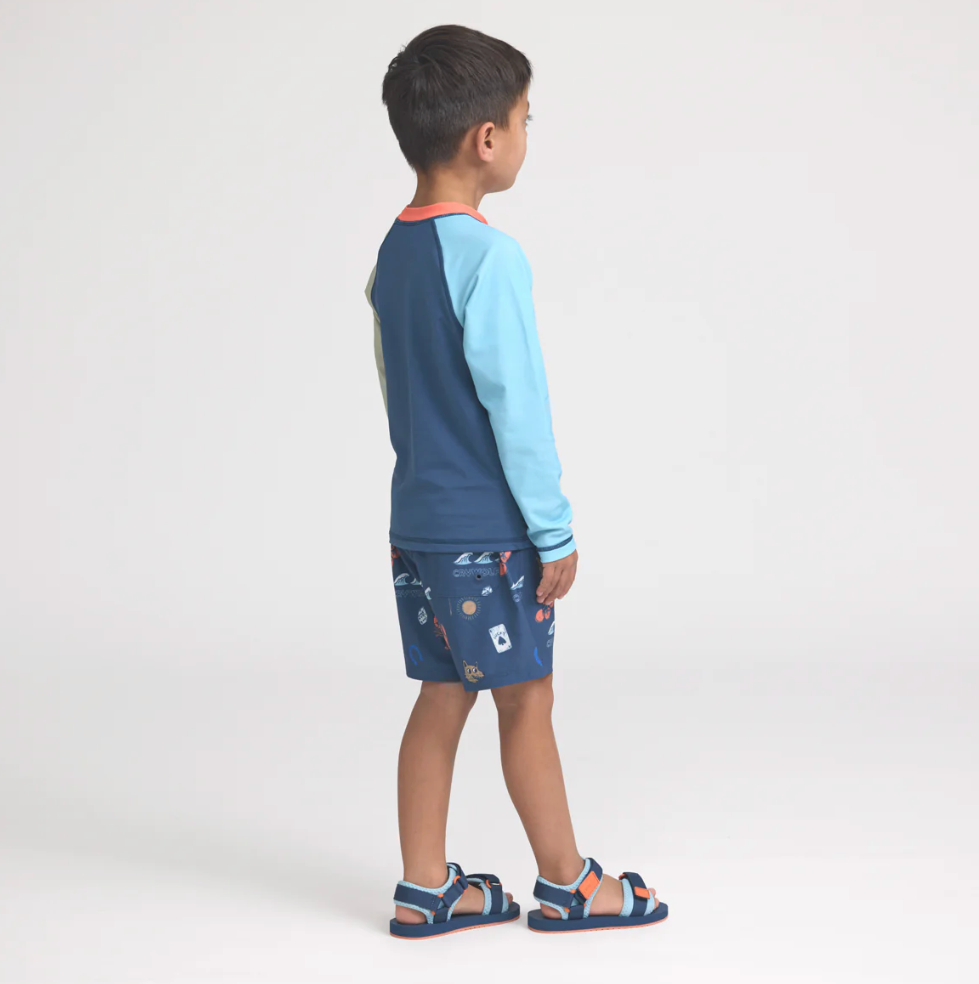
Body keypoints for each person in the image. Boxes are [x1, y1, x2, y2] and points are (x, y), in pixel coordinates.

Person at [364, 24, 668, 939]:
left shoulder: (391, 254)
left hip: (418, 521)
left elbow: (396, 392)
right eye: (527, 118)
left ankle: (425, 887)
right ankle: (568, 883)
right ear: (486, 138)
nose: (529, 133)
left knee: (440, 694)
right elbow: (517, 409)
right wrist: (553, 529)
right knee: (527, 698)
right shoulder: (488, 257)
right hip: (488, 532)